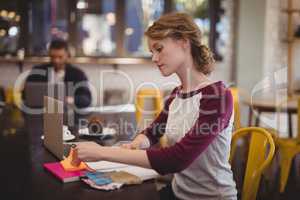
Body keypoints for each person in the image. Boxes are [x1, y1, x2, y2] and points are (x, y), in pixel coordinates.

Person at [76, 12, 237, 200]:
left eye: (159, 49)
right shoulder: (177, 95)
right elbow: (153, 132)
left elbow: (176, 160)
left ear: (184, 42)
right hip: (178, 193)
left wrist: (102, 152)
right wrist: (138, 143)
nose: (154, 58)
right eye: (152, 52)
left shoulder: (217, 97)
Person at [23, 39, 92, 108]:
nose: (56, 60)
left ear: (68, 56)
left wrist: (68, 99)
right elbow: (25, 95)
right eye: (53, 57)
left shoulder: (78, 74)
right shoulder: (37, 71)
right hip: (41, 111)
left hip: (68, 113)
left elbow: (86, 99)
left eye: (60, 57)